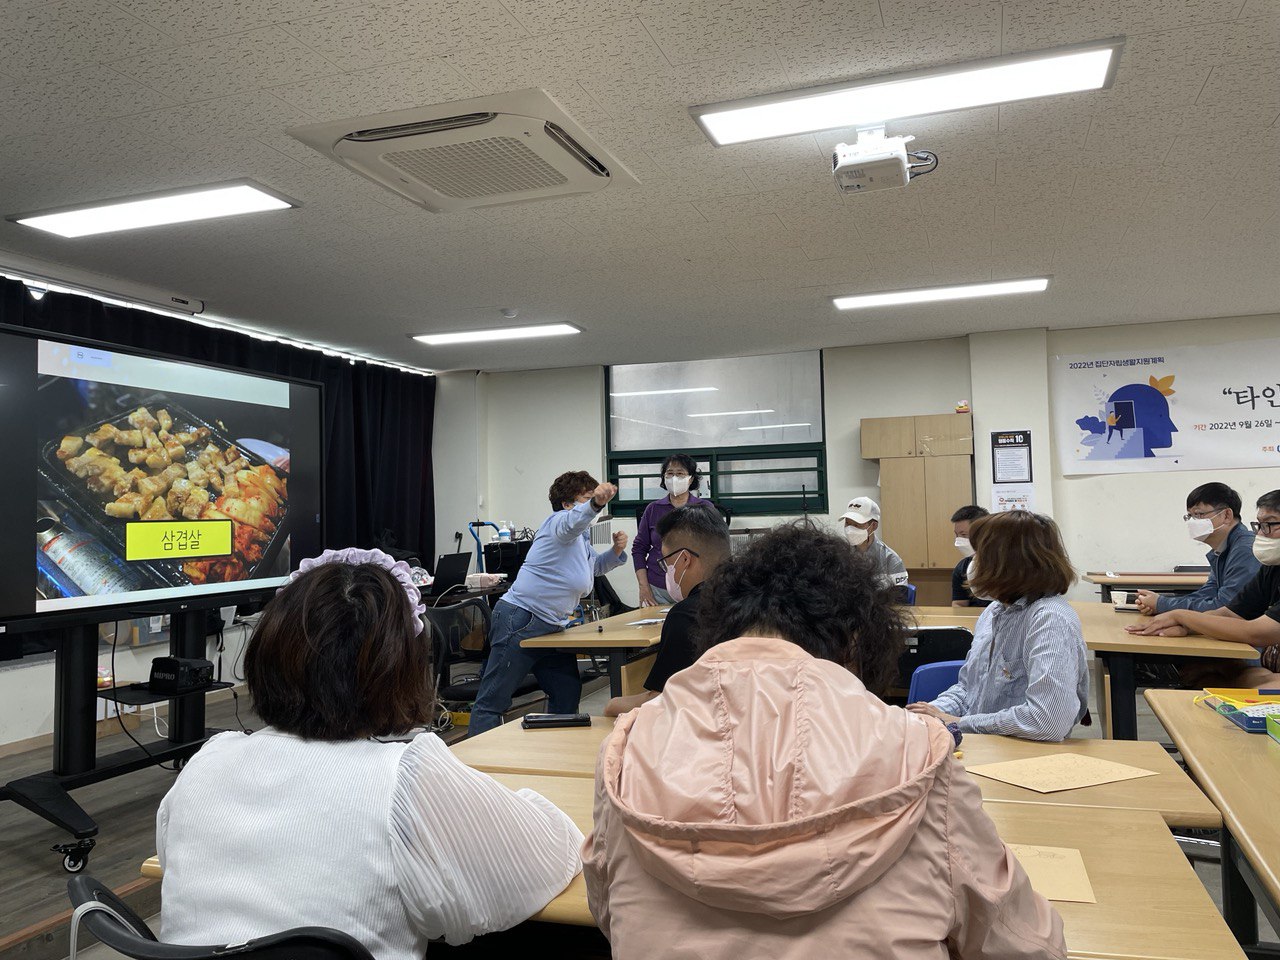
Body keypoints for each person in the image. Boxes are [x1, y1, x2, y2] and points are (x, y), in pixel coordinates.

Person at [583, 525, 1065, 959]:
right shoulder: (917, 753)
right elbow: (1026, 945)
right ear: (855, 637)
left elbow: (607, 911)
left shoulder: (626, 749)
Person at [157, 550, 583, 959]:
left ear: (265, 656)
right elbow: (544, 860)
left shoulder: (208, 760)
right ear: (406, 666)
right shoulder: (405, 775)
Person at [469, 472, 628, 736]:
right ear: (567, 504)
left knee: (566, 691)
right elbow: (573, 522)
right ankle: (474, 768)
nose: (594, 506)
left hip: (551, 627)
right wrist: (595, 505)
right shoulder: (558, 524)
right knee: (493, 700)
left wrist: (616, 552)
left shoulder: (581, 539)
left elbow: (595, 568)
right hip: (521, 620)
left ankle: (555, 748)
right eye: (587, 499)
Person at [909, 511, 1089, 742]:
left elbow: (1048, 721)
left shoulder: (1049, 619)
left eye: (981, 555)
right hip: (985, 743)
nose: (973, 564)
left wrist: (959, 723)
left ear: (1010, 563)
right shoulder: (994, 612)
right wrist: (928, 714)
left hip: (1025, 753)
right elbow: (968, 689)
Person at [1127, 489, 1280, 687]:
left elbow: (1258, 632)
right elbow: (1230, 612)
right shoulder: (1272, 566)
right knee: (1204, 676)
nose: (1260, 533)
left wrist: (1181, 616)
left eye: (1269, 524)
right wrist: (1185, 626)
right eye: (1259, 525)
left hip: (1255, 651)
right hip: (1262, 660)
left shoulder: (1244, 548)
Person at [604, 506, 731, 717]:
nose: (667, 572)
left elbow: (662, 701)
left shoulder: (688, 614)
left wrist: (613, 705)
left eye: (666, 564)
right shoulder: (753, 597)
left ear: (684, 560)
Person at [1133, 482, 1258, 615]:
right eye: (1189, 516)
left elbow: (1226, 608)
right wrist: (1161, 605)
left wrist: (1162, 605)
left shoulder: (1245, 549)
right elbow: (1207, 594)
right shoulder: (1222, 549)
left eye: (1198, 514)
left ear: (1226, 515)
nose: (1192, 522)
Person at [632, 453, 709, 606]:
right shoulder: (653, 509)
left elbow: (713, 549)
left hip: (695, 588)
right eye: (670, 473)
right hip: (657, 589)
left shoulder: (704, 508)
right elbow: (639, 549)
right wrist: (644, 587)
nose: (674, 478)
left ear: (691, 478)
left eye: (680, 474)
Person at [839, 496, 908, 586]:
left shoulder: (890, 559)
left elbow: (900, 597)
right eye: (847, 523)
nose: (850, 529)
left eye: (857, 524)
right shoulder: (841, 555)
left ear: (873, 526)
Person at [950, 504, 991, 608]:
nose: (958, 540)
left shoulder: (1006, 565)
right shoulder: (962, 568)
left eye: (964, 535)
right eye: (956, 535)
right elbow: (959, 603)